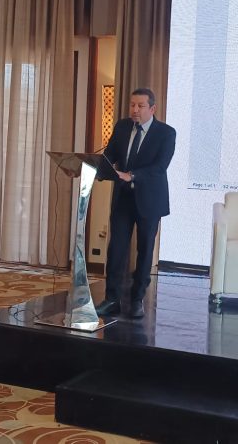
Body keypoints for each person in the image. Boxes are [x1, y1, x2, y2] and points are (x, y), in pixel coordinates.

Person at [95, 88, 176, 318]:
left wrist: (132, 175)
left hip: (149, 200)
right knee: (116, 249)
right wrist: (93, 168)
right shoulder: (122, 127)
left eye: (140, 106)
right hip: (123, 198)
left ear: (152, 108)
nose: (135, 110)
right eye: (132, 105)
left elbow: (160, 167)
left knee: (145, 250)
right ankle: (112, 299)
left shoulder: (166, 133)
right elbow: (110, 156)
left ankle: (137, 299)